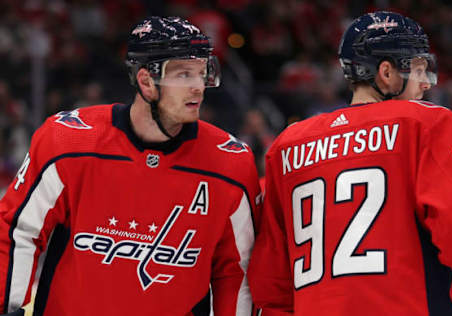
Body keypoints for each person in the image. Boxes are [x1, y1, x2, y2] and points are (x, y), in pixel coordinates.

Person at [0, 16, 260, 315]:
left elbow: (237, 270)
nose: (198, 87)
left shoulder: (230, 162)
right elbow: (18, 231)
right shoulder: (69, 142)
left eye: (202, 73)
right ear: (146, 81)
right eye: (184, 74)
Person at [247, 11, 452, 315]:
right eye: (419, 70)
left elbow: (270, 276)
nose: (425, 84)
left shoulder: (287, 145)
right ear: (387, 72)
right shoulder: (424, 122)